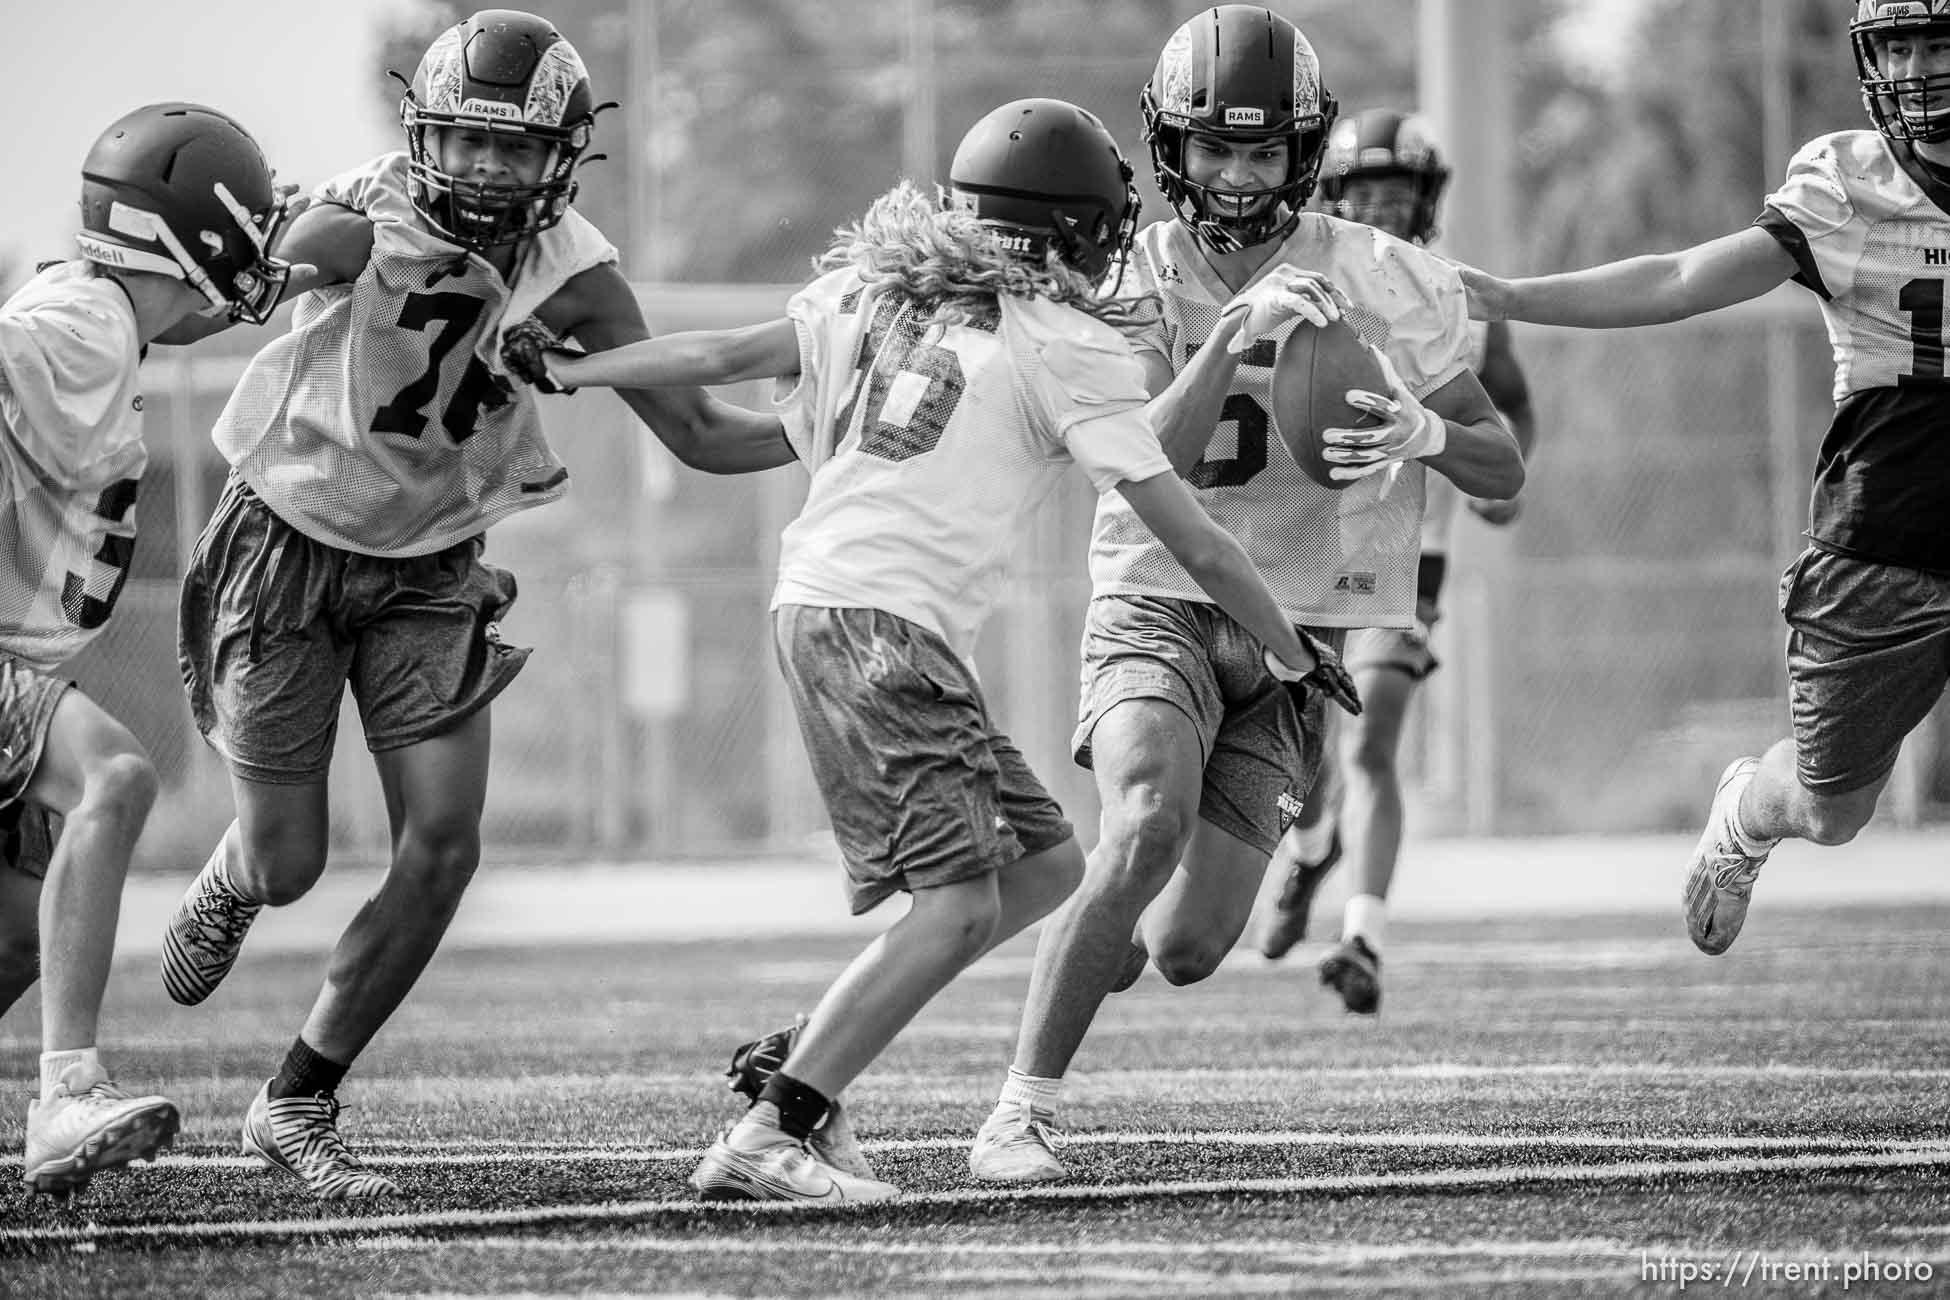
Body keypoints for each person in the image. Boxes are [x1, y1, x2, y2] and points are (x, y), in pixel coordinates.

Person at [504, 96, 1356, 1204]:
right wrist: (1290, 648)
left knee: (1045, 866)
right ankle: (775, 1128)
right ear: (1073, 233)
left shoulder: (869, 290)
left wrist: (575, 373)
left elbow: (711, 351)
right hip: (883, 626)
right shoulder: (1061, 341)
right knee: (956, 906)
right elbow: (1187, 525)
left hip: (823, 606)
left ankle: (808, 1052)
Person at [156, 10, 792, 1201]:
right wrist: (207, 277)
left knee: (443, 846)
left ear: (563, 153)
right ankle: (243, 872)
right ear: (423, 136)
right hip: (287, 538)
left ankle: (297, 1095)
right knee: (291, 861)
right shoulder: (361, 212)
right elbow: (258, 282)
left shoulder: (578, 274)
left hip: (434, 560)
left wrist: (830, 431)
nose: (491, 168)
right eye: (468, 142)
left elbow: (701, 435)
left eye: (516, 148)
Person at [967, 5, 1525, 1186]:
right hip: (1157, 594)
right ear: (1171, 146)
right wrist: (1227, 339)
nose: (1234, 173)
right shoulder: (1128, 268)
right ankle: (1018, 1112)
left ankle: (1070, 940)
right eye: (1213, 147)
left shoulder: (1376, 273)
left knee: (1183, 949)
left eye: (1261, 149)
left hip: (1297, 634)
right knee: (1145, 819)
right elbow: (1124, 452)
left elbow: (1501, 461)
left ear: (1301, 152)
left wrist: (1425, 426)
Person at [1462, 0, 1950, 959]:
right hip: (1887, 532)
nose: (1924, 67)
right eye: (1904, 46)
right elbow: (1684, 277)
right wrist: (1516, 297)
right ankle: (1747, 812)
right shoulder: (1851, 188)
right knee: (1832, 807)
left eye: (1941, 43)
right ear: (1871, 62)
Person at [0, 102, 293, 1195]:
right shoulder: (81, 324)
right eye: (248, 234)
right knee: (114, 778)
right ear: (197, 238)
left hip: (23, 666)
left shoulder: (96, 309)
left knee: (19, 941)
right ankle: (65, 1093)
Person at [1257, 108, 1542, 1015]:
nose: (1381, 215)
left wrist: (1499, 481)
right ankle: (1309, 851)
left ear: (1427, 205)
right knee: (1301, 762)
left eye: (1398, 197)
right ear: (1332, 201)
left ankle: (1363, 934)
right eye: (1363, 197)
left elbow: (1512, 411)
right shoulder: (1294, 283)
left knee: (1374, 744)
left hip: (1405, 551)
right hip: (1298, 545)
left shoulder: (1451, 299)